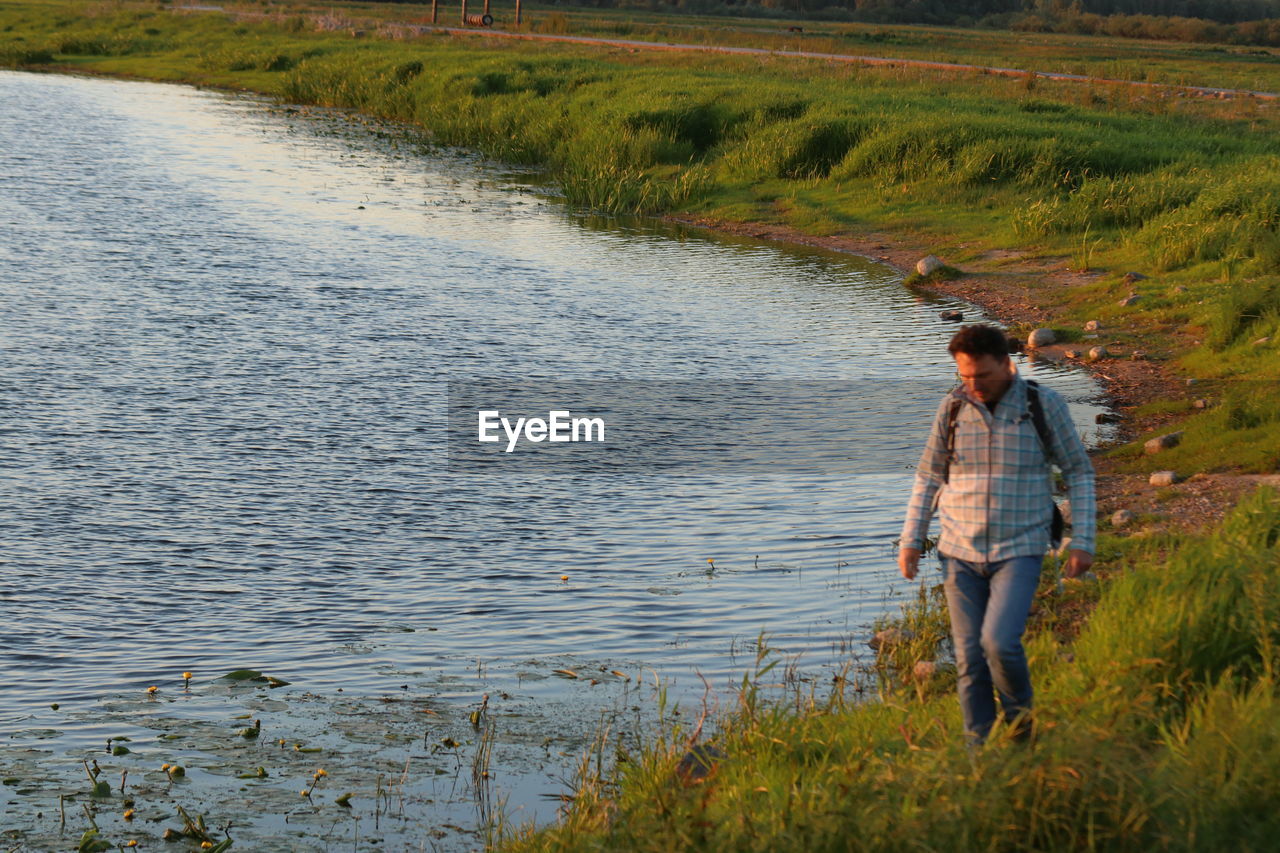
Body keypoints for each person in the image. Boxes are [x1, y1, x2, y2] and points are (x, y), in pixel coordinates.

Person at [898, 324, 1095, 745]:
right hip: (958, 551)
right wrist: (912, 539)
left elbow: (1078, 471)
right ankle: (979, 755)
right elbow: (929, 476)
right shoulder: (952, 408)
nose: (973, 386)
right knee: (969, 659)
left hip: (1019, 548)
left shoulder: (1044, 406)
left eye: (982, 376)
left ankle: (1022, 731)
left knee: (999, 643)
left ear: (1007, 364)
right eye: (964, 377)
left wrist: (1083, 541)